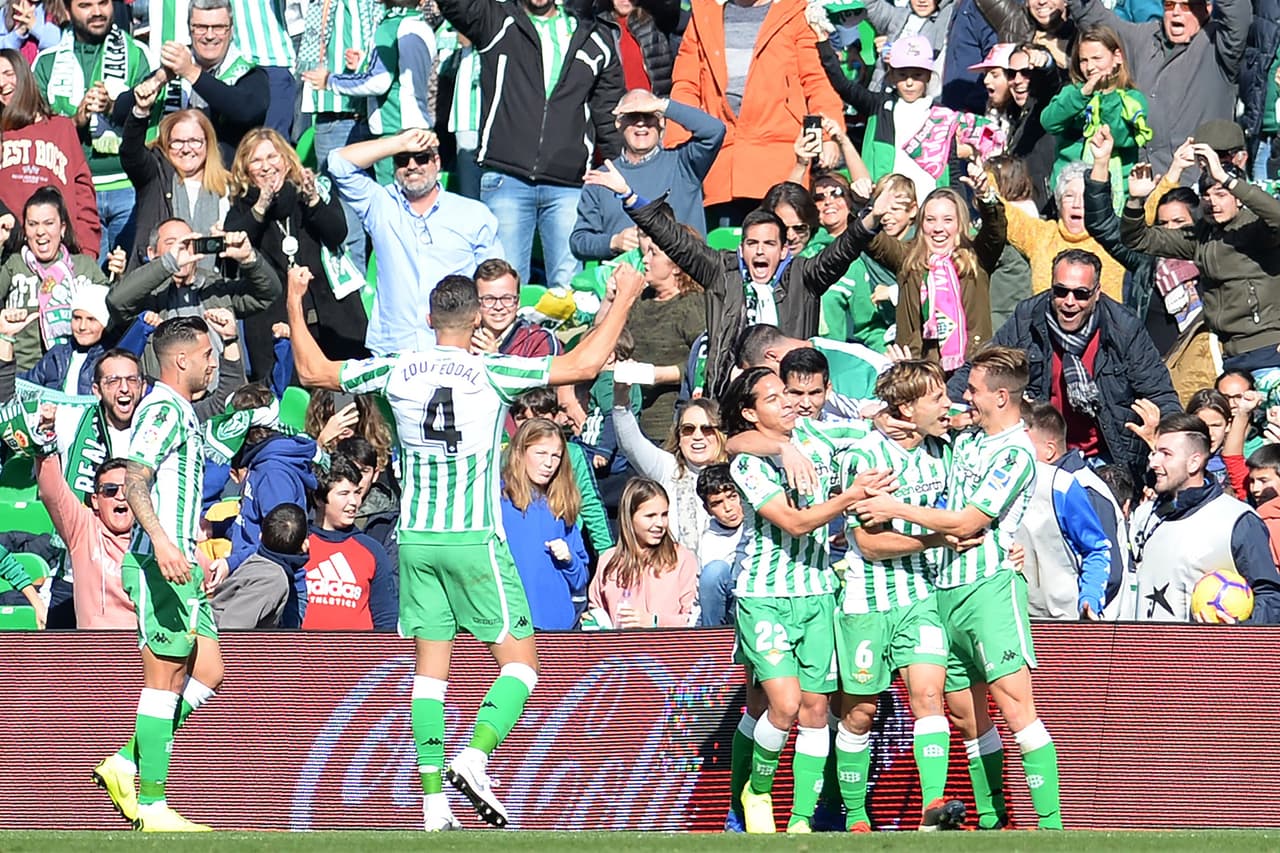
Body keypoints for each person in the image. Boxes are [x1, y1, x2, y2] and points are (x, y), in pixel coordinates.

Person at [285, 262, 647, 830]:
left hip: (416, 540)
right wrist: (623, 297)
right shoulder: (490, 370)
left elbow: (309, 369)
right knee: (522, 667)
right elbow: (583, 364)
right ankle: (476, 758)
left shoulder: (397, 368)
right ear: (477, 317)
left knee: (431, 673)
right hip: (474, 538)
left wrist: (293, 296)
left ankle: (432, 807)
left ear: (429, 319)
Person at [854, 346, 1061, 831]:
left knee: (1015, 708)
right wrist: (890, 418)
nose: (961, 398)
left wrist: (895, 508)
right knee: (967, 717)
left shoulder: (1016, 454)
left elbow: (969, 522)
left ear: (1002, 397)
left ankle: (1051, 829)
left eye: (972, 391)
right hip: (943, 591)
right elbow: (912, 420)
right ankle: (990, 820)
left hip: (989, 590)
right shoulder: (967, 439)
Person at [721, 366, 886, 833]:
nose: (790, 402)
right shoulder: (748, 463)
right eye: (774, 398)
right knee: (783, 705)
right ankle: (754, 793)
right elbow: (794, 523)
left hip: (818, 594)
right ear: (750, 412)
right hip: (765, 595)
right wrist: (849, 497)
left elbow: (873, 426)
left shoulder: (817, 434)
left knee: (817, 709)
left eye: (790, 394)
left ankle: (801, 820)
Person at [92, 316, 225, 831]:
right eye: (208, 354)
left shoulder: (182, 411)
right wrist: (166, 544)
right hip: (158, 563)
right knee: (163, 678)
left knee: (207, 669)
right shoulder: (164, 409)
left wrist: (196, 549)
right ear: (183, 359)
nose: (214, 363)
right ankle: (151, 804)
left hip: (182, 562)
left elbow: (174, 488)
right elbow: (134, 480)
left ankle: (125, 761)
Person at [588, 168, 878, 401]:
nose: (760, 251)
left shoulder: (805, 277)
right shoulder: (721, 274)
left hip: (789, 398)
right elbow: (672, 239)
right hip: (729, 396)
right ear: (741, 250)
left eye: (769, 244)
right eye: (752, 244)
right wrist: (628, 195)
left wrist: (873, 217)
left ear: (783, 250)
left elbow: (842, 251)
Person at [833, 360, 967, 832]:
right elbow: (869, 543)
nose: (948, 405)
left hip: (921, 596)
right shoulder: (865, 456)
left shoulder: (944, 449)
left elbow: (977, 416)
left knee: (929, 696)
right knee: (861, 713)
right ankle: (855, 816)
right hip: (865, 600)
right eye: (937, 399)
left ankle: (933, 809)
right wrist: (939, 538)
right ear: (906, 408)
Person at [946, 248, 1181, 480]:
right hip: (1045, 450)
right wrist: (946, 407)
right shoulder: (1028, 318)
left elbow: (1160, 394)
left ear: (1097, 293)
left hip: (1109, 453)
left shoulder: (1124, 329)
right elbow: (982, 365)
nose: (1069, 302)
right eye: (1061, 291)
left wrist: (1172, 447)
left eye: (1081, 294)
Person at [439, 0, 624, 287]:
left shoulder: (595, 37)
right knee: (505, 290)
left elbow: (609, 115)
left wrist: (625, 174)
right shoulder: (496, 21)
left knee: (569, 292)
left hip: (569, 184)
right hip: (505, 178)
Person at [330, 128, 501, 356]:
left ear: (437, 162)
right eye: (403, 159)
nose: (412, 166)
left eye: (421, 158)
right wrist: (399, 143)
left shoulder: (473, 214)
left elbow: (494, 282)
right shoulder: (380, 204)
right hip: (394, 348)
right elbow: (337, 163)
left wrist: (486, 336)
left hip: (456, 349)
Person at [666, 0, 842, 219]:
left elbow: (816, 82)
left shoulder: (795, 12)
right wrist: (676, 146)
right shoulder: (704, 13)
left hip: (778, 160)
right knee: (721, 246)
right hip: (721, 162)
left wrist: (827, 136)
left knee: (777, 246)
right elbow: (686, 85)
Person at [1123, 145, 1280, 374]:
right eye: (1206, 195)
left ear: (1238, 198)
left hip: (1266, 349)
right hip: (1224, 353)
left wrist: (1226, 178)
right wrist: (1136, 200)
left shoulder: (1257, 228)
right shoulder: (1200, 237)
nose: (1212, 202)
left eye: (1221, 194)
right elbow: (1137, 239)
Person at [226, 128, 366, 375]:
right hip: (274, 320)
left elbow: (337, 233)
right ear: (245, 169)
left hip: (332, 314)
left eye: (272, 157)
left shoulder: (311, 191)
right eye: (256, 160)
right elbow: (234, 242)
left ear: (286, 159)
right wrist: (261, 206)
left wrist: (313, 200)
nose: (266, 166)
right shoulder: (242, 206)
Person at [32, 0, 160, 254]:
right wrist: (75, 121)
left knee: (131, 284)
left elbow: (154, 123)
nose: (97, 12)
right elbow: (39, 135)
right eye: (86, 5)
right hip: (74, 191)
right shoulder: (46, 62)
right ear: (67, 11)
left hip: (128, 186)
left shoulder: (138, 53)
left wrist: (115, 106)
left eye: (103, 3)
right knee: (86, 282)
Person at [1065, 0, 1249, 176]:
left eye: (1186, 6)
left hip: (1196, 182)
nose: (1176, 11)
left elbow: (1237, 12)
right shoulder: (1145, 38)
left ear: (1207, 8)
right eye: (1169, 4)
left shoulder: (1220, 44)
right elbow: (1095, 19)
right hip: (1145, 179)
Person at [1126, 414, 1280, 623]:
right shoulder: (1144, 516)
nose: (1153, 462)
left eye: (1166, 454)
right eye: (1154, 453)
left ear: (1194, 462)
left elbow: (1271, 598)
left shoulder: (1237, 520)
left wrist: (1239, 634)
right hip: (1140, 652)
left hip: (1206, 654)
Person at [853, 167, 1004, 370]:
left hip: (970, 368)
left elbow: (995, 230)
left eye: (947, 220)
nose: (938, 228)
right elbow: (871, 239)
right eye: (930, 220)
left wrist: (986, 197)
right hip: (918, 368)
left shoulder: (976, 257)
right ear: (921, 223)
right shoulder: (907, 258)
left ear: (960, 223)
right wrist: (868, 209)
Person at [105, 220, 279, 380]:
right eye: (171, 243)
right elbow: (116, 301)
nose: (181, 250)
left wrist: (249, 259)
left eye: (188, 244)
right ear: (152, 253)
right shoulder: (146, 295)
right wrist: (167, 264)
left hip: (221, 396)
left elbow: (267, 293)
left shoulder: (216, 287)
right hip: (167, 401)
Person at [571, 89, 724, 261]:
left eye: (649, 115)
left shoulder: (683, 163)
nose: (641, 123)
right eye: (632, 116)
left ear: (661, 122)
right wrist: (614, 242)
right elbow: (579, 242)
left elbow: (715, 131)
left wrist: (662, 105)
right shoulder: (603, 177)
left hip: (682, 278)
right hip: (626, 280)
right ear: (618, 123)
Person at [592, 221, 707, 437]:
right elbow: (598, 344)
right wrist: (609, 301)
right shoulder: (640, 300)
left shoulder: (693, 306)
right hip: (623, 420)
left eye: (654, 254)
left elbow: (706, 363)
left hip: (666, 425)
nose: (644, 260)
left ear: (677, 264)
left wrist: (655, 374)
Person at [302, 0, 435, 185]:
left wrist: (330, 81)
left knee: (394, 202)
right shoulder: (421, 25)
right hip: (420, 128)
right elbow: (401, 69)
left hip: (393, 130)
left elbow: (378, 82)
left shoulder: (390, 26)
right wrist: (366, 62)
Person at [116, 0, 268, 157]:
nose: (209, 36)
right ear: (190, 30)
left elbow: (247, 111)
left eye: (218, 28)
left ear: (230, 30)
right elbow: (119, 113)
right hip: (169, 172)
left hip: (222, 175)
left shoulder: (249, 72)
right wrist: (156, 81)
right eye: (201, 27)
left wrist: (190, 72)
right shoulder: (172, 68)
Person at [296, 0, 380, 271]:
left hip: (382, 116)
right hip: (337, 114)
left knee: (392, 218)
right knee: (348, 225)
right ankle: (354, 305)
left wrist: (365, 59)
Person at [0, 47, 100, 259]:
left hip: (60, 255)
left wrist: (87, 253)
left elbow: (83, 194)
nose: (1, 83)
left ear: (24, 76)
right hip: (9, 256)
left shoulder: (61, 128)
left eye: (8, 74)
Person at [1018, 400, 1113, 619]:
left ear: (1049, 449)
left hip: (1062, 621)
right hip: (1012, 619)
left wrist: (1089, 599)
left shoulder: (1067, 486)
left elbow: (1097, 549)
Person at [119, 90, 231, 272]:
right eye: (177, 142)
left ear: (208, 143)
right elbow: (130, 153)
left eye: (195, 141)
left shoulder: (226, 187)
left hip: (212, 288)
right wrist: (140, 111)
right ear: (166, 144)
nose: (186, 149)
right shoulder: (154, 176)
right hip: (158, 287)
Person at [0, 186, 109, 371]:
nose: (40, 231)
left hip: (72, 374)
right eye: (33, 224)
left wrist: (119, 273)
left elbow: (112, 309)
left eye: (48, 223)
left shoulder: (84, 266)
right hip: (21, 374)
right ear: (25, 231)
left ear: (62, 228)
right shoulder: (14, 264)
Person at [501, 417, 590, 631]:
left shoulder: (561, 504)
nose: (549, 463)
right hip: (509, 624)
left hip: (556, 628)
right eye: (540, 453)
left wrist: (569, 559)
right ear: (520, 452)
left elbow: (580, 578)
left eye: (556, 456)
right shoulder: (497, 499)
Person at [612, 392, 726, 558]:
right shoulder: (668, 468)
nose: (697, 436)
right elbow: (630, 444)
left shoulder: (737, 471)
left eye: (707, 428)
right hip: (676, 572)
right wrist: (620, 398)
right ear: (678, 436)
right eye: (688, 429)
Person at [1039, 25, 1151, 190]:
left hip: (1116, 189)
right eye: (1084, 60)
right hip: (1070, 190)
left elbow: (1118, 137)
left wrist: (1108, 96)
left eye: (1097, 58)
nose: (1090, 67)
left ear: (1117, 57)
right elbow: (1049, 122)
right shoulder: (1072, 93)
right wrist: (1082, 94)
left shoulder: (1133, 100)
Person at [34, 451, 134, 628]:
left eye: (128, 489)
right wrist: (44, 444)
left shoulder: (156, 538)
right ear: (95, 501)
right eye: (111, 490)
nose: (120, 496)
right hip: (94, 649)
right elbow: (52, 492)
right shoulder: (83, 529)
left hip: (141, 648)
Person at [586, 476, 700, 627]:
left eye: (664, 515)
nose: (660, 523)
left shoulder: (681, 558)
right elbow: (597, 611)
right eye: (650, 516)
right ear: (630, 518)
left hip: (667, 648)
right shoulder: (608, 560)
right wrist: (593, 621)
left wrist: (655, 622)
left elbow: (694, 620)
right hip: (622, 648)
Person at [303, 457, 399, 631]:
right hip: (302, 654)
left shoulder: (371, 550)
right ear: (318, 498)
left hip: (356, 655)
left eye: (357, 493)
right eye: (344, 494)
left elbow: (386, 616)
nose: (354, 502)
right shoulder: (299, 544)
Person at [810, 172, 898, 354]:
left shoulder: (856, 263)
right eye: (819, 197)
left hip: (831, 363)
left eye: (837, 193)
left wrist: (888, 355)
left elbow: (868, 326)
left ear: (850, 201)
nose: (828, 201)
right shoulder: (799, 254)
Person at [209, 501, 299, 630]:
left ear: (260, 537)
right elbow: (232, 630)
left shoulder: (255, 562)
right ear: (304, 545)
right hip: (218, 644)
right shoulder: (271, 579)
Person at [22, 283, 115, 395]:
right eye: (77, 318)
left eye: (91, 319)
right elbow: (25, 385)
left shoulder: (112, 358)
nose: (82, 326)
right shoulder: (56, 355)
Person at [695, 462, 742, 627]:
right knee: (714, 572)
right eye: (717, 503)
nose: (728, 508)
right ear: (708, 509)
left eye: (732, 497)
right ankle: (712, 640)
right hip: (727, 609)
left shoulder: (760, 523)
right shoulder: (709, 542)